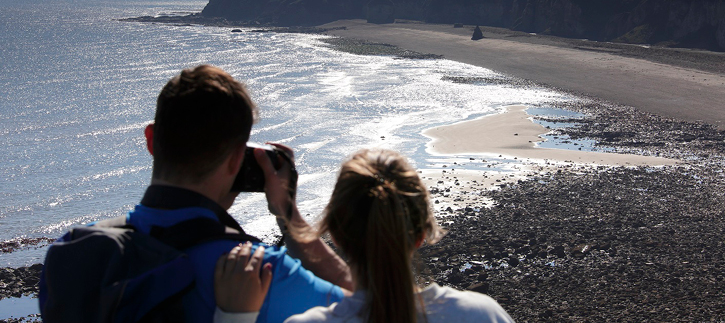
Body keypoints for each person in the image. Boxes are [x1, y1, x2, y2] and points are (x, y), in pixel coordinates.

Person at [43, 65, 352, 323]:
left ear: (151, 140)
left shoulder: (71, 254)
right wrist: (288, 214)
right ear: (235, 159)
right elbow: (365, 307)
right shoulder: (256, 272)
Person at [214, 148, 515, 323]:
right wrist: (288, 216)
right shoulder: (480, 315)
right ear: (422, 234)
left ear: (336, 233)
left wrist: (233, 317)